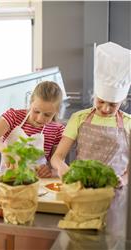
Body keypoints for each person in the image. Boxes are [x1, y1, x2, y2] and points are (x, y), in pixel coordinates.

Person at [51, 42, 131, 237]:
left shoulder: (129, 123)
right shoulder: (79, 117)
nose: (104, 108)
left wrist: (125, 178)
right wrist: (62, 167)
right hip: (81, 192)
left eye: (112, 104)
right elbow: (57, 156)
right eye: (100, 101)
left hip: (116, 194)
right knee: (79, 238)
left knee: (112, 240)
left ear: (123, 100)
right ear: (94, 95)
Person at [0, 81, 65, 177]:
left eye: (47, 114)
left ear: (56, 111)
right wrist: (6, 150)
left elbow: (58, 167)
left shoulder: (57, 130)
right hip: (7, 179)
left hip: (37, 183)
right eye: (36, 111)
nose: (40, 118)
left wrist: (49, 171)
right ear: (30, 103)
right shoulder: (14, 117)